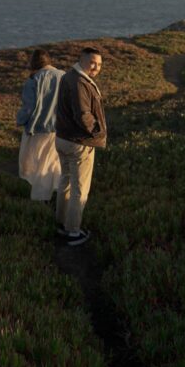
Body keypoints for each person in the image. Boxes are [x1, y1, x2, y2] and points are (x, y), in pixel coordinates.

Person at [55, 46, 106, 246]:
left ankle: (61, 222)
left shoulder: (69, 77)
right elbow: (83, 115)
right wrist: (98, 133)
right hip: (79, 143)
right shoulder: (79, 83)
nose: (96, 67)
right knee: (80, 189)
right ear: (81, 59)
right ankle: (73, 231)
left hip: (63, 139)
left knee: (65, 181)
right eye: (92, 62)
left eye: (99, 64)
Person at [16, 48, 65, 201]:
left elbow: (29, 108)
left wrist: (20, 120)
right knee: (52, 163)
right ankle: (57, 193)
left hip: (38, 129)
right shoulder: (63, 76)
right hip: (60, 129)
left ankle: (40, 199)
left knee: (37, 165)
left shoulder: (33, 80)